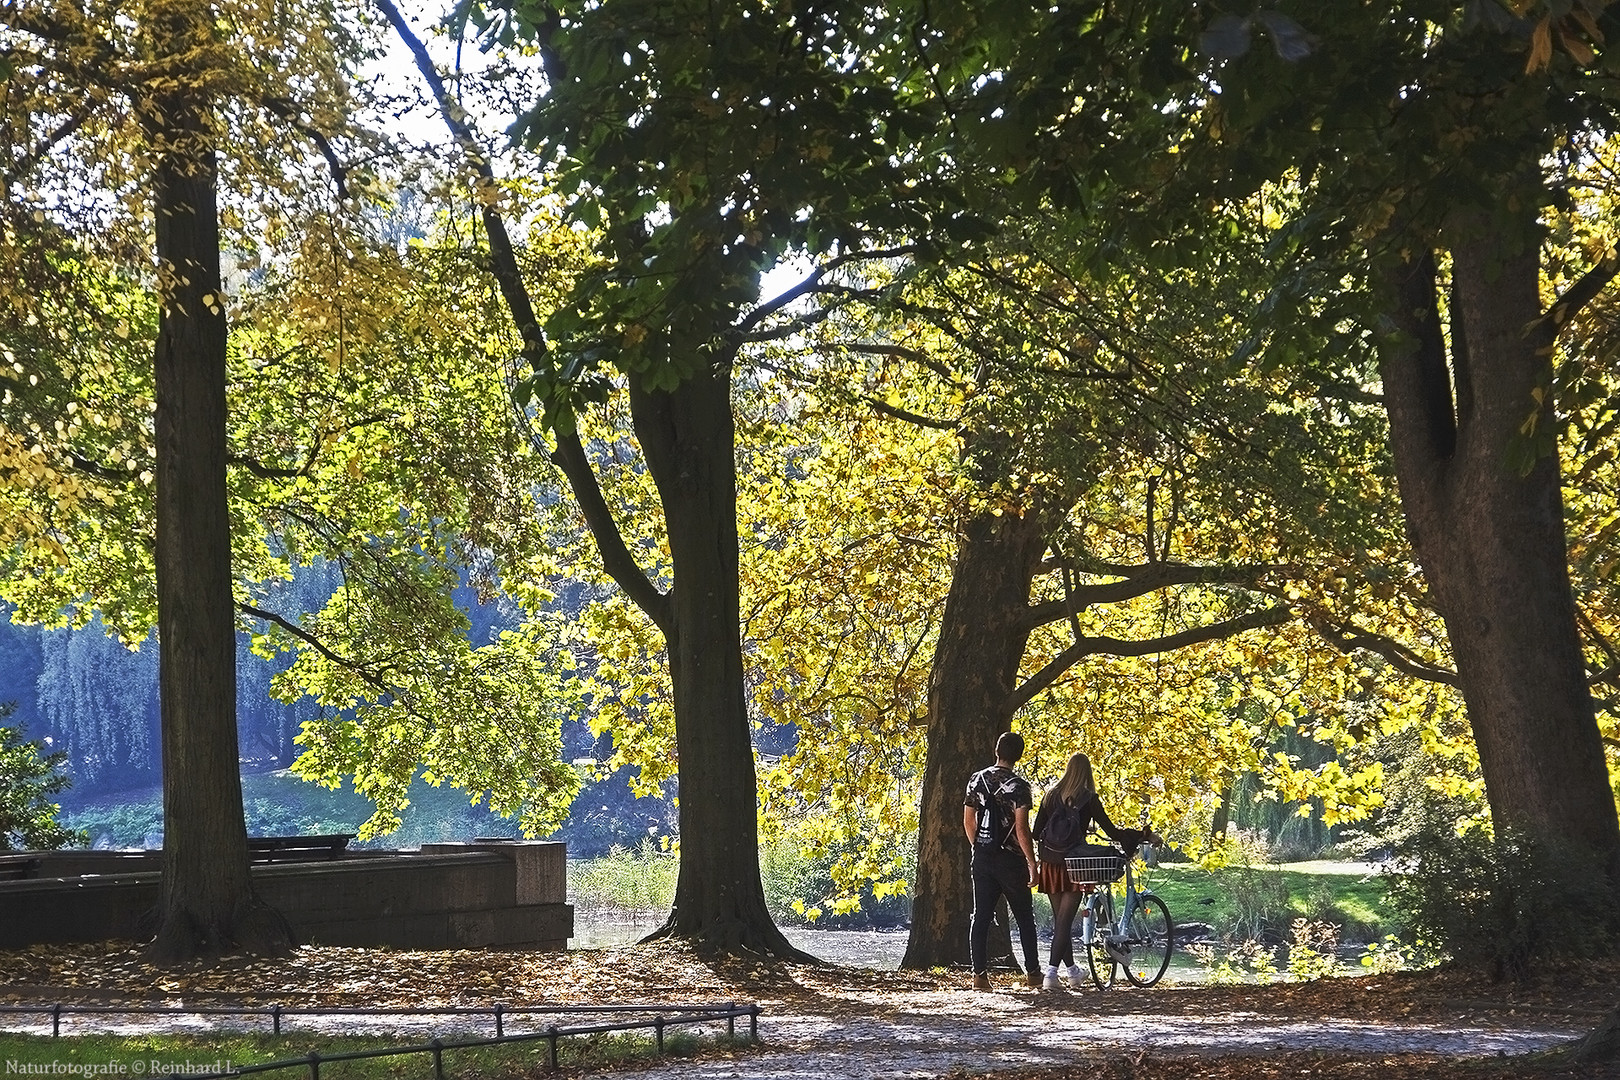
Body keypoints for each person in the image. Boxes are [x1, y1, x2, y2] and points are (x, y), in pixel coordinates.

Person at [1031, 751, 1154, 990]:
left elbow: (1036, 833)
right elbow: (1112, 832)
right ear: (1087, 773)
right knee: (1064, 923)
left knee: (1061, 922)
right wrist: (1141, 835)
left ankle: (1072, 972)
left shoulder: (1050, 796)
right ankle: (1051, 974)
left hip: (1050, 864)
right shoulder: (1087, 798)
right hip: (1075, 865)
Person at [963, 731, 1042, 991]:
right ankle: (1033, 974)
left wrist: (980, 847)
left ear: (997, 751)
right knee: (1024, 916)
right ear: (1018, 756)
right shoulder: (1019, 786)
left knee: (981, 916)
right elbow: (1021, 829)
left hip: (983, 858)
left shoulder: (976, 779)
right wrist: (1032, 862)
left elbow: (968, 821)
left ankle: (979, 976)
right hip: (1011, 860)